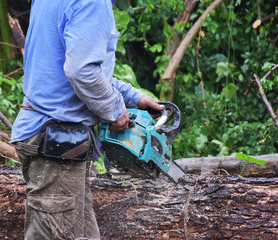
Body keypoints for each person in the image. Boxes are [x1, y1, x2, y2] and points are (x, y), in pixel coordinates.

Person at [11, 0, 164, 239]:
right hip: (56, 142)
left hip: (56, 141)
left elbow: (71, 68)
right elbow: (82, 72)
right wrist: (115, 112)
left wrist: (133, 98)